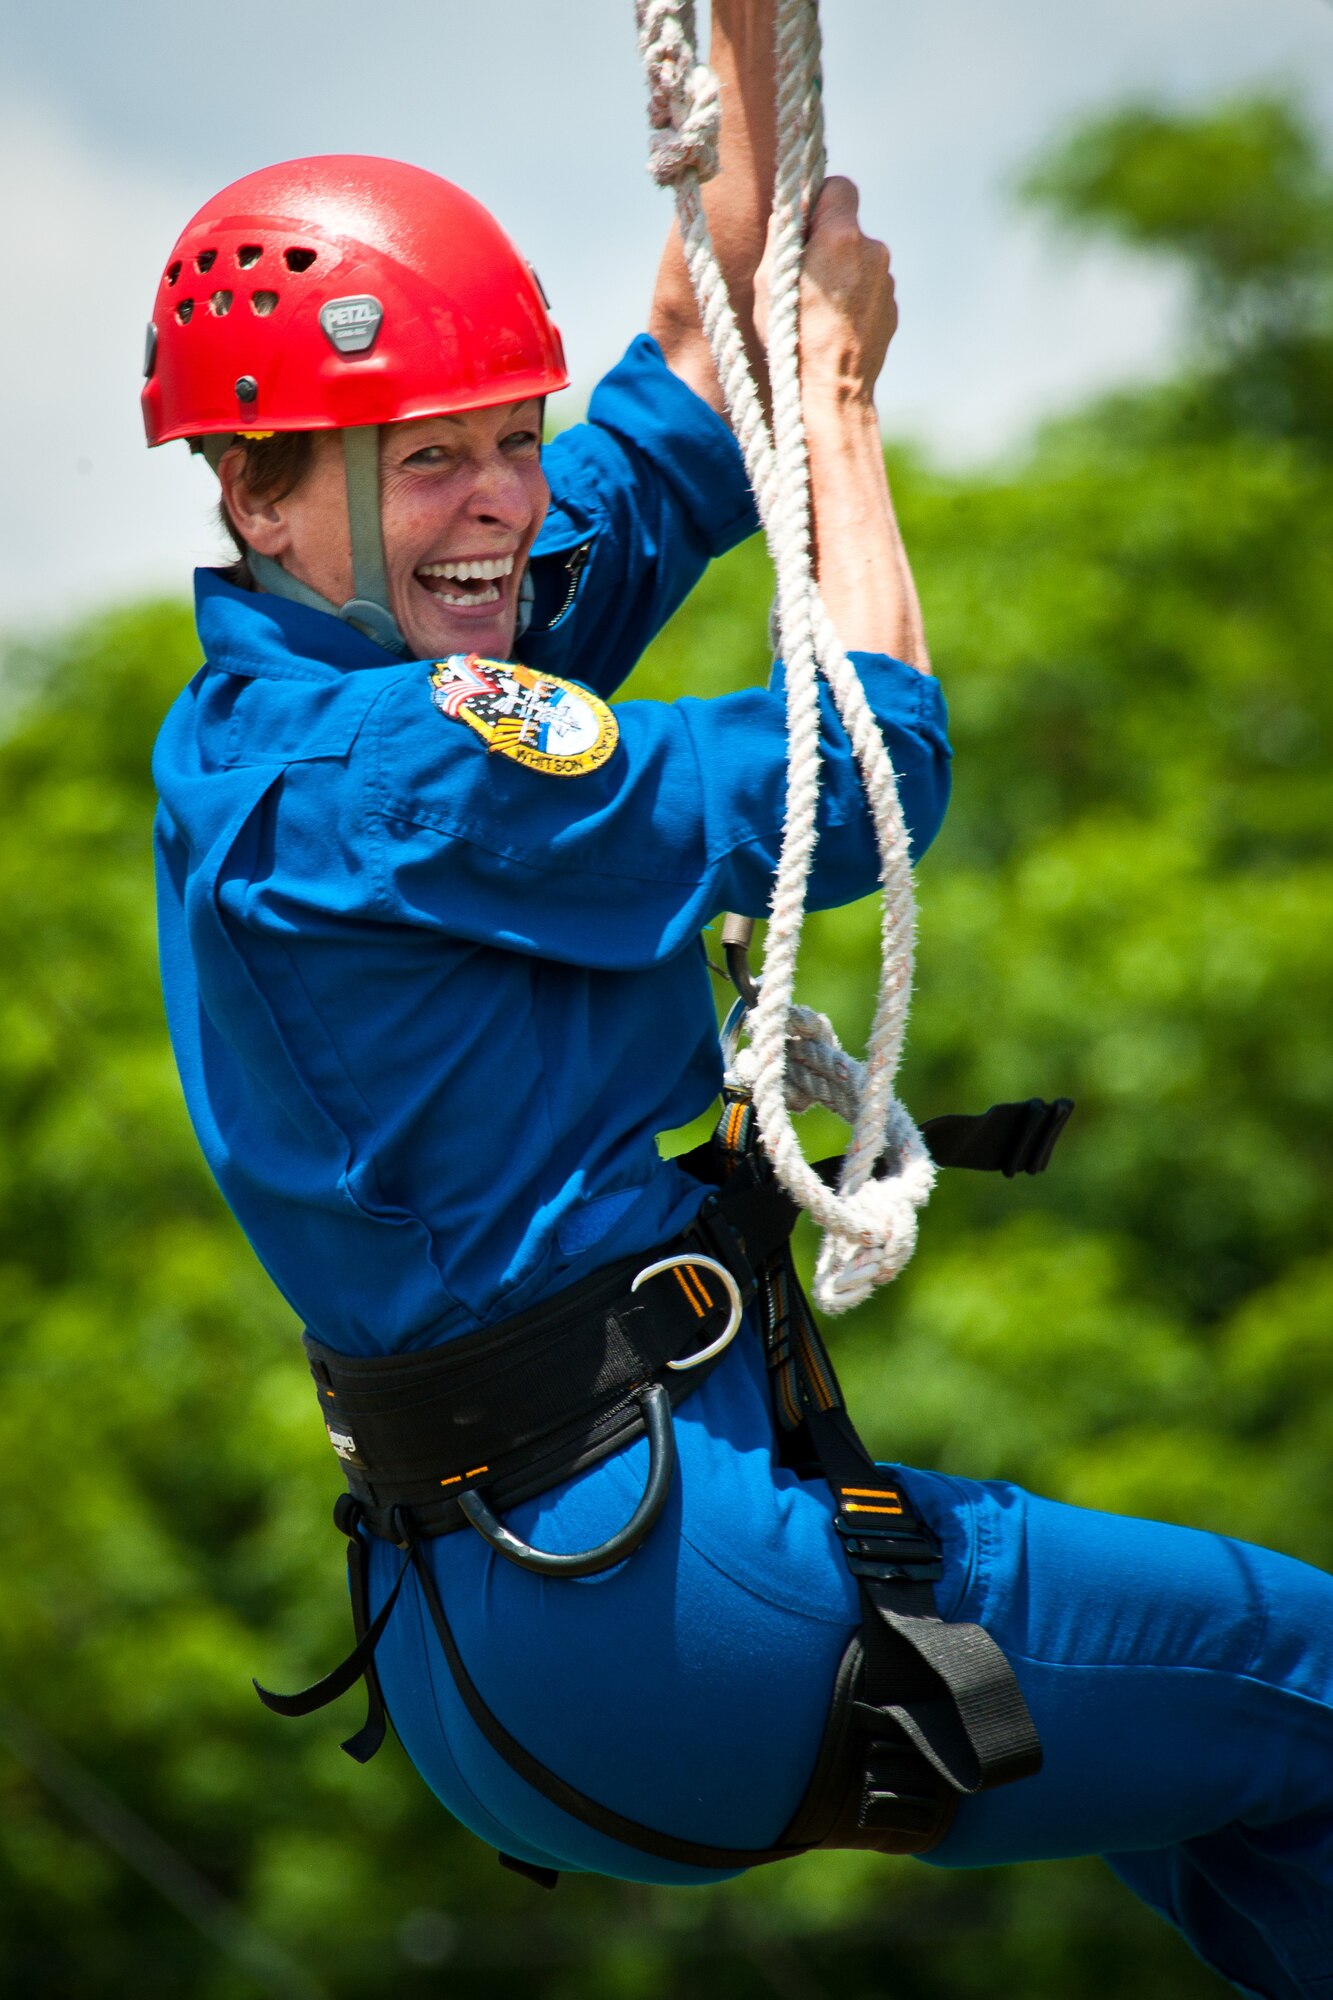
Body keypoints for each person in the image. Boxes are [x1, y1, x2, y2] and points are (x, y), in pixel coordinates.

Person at [147, 7, 1333, 1992]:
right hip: (644, 1590)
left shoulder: (328, 696)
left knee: (1227, 1768)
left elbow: (707, 339)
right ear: (260, 498)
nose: (503, 505)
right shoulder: (399, 763)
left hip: (520, 1622)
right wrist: (845, 401)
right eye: (430, 461)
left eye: (515, 445)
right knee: (1308, 1691)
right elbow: (868, 765)